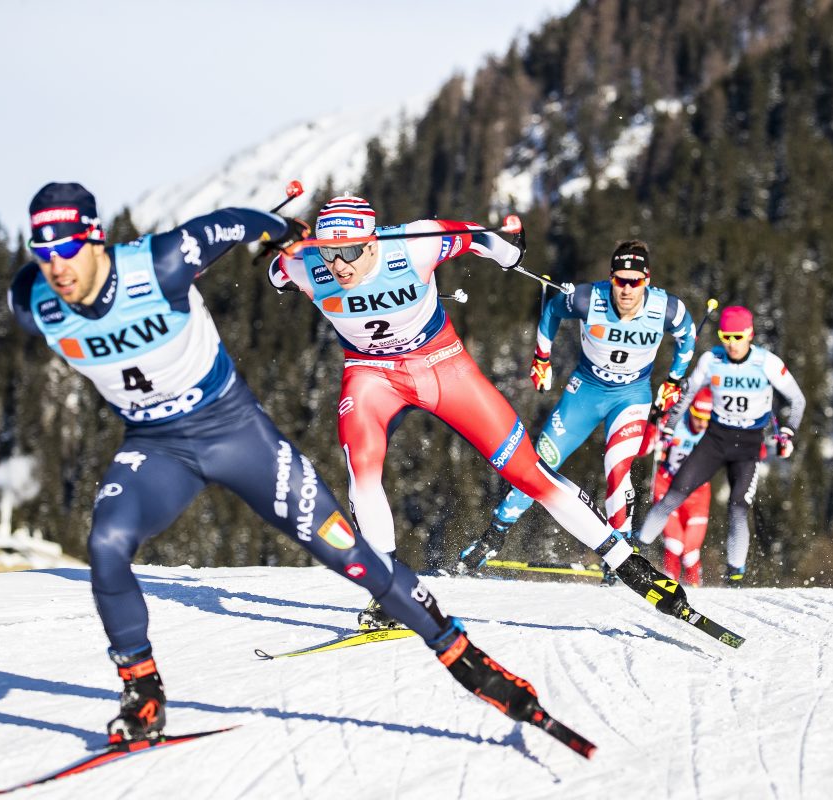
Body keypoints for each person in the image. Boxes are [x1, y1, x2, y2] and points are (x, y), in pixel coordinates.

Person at [8, 182, 565, 743]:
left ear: (95, 240)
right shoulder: (32, 301)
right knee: (106, 545)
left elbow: (233, 221)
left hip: (233, 432)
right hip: (156, 445)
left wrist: (283, 232)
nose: (57, 267)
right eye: (44, 252)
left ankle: (460, 653)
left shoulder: (162, 262)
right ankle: (143, 693)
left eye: (68, 249)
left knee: (348, 553)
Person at [271, 196, 691, 628]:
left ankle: (632, 568)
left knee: (528, 472)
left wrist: (511, 251)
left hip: (442, 366)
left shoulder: (415, 244)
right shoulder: (305, 264)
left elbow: (478, 237)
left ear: (373, 242)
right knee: (362, 470)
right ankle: (390, 593)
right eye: (330, 251)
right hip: (371, 376)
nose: (340, 265)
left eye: (351, 251)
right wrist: (282, 243)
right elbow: (275, 269)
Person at [456, 240, 695, 572]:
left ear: (647, 281)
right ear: (611, 278)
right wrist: (542, 358)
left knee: (617, 467)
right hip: (586, 392)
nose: (626, 290)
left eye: (634, 282)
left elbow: (688, 336)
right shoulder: (588, 299)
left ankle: (622, 554)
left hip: (631, 396)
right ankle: (493, 536)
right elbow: (553, 310)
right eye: (620, 280)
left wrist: (674, 380)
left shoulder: (667, 308)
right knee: (540, 461)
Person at [637, 306, 805, 585]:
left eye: (737, 337)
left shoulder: (767, 362)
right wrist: (668, 425)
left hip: (749, 444)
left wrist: (788, 432)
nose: (731, 343)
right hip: (716, 439)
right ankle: (635, 551)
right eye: (725, 336)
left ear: (750, 334)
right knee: (675, 493)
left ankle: (735, 574)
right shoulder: (711, 359)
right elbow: (688, 394)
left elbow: (798, 400)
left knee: (738, 507)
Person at [649, 387, 714, 586]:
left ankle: (695, 591)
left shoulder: (716, 431)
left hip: (698, 494)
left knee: (691, 552)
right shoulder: (675, 422)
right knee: (674, 543)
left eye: (707, 419)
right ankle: (669, 587)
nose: (702, 423)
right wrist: (654, 421)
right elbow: (650, 443)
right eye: (697, 417)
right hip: (667, 487)